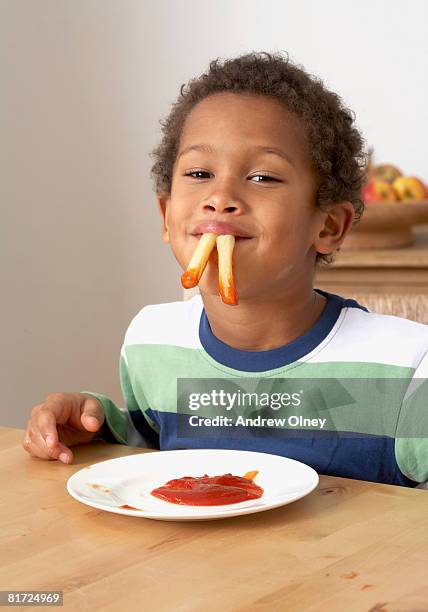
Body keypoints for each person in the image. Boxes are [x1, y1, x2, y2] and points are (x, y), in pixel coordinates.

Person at [23, 51, 428, 486]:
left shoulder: (407, 368)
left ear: (328, 225)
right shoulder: (152, 343)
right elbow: (154, 452)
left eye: (262, 178)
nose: (220, 197)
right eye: (199, 172)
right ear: (166, 215)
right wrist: (97, 425)